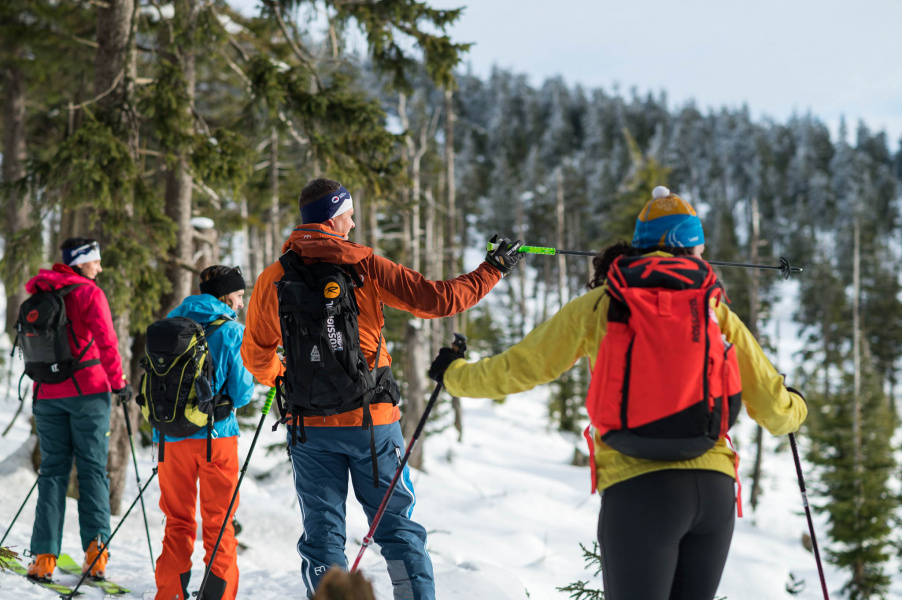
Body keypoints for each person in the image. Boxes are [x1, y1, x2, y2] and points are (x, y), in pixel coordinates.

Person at [429, 186, 808, 600]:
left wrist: (454, 374)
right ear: (696, 249)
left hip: (640, 491)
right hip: (714, 491)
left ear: (639, 246)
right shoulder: (714, 309)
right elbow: (773, 408)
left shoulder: (601, 304)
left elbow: (521, 368)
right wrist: (796, 406)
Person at [241, 177, 521, 600]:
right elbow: (438, 299)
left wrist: (289, 380)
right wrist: (492, 268)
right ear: (334, 219)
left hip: (309, 429)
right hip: (372, 424)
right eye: (349, 217)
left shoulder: (273, 278)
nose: (353, 226)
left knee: (322, 538)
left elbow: (256, 356)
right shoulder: (365, 265)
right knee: (397, 530)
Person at [24, 237, 129, 580]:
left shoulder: (41, 295)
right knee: (92, 471)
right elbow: (107, 342)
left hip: (47, 394)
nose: (99, 268)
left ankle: (43, 558)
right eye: (95, 261)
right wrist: (119, 383)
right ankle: (96, 554)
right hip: (88, 393)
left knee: (53, 472)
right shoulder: (89, 294)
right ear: (82, 262)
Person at [153, 266, 254, 600]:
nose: (240, 304)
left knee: (177, 523)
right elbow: (241, 395)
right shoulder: (230, 331)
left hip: (169, 440)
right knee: (219, 524)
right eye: (239, 296)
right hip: (215, 438)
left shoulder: (169, 325)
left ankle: (169, 594)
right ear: (225, 296)